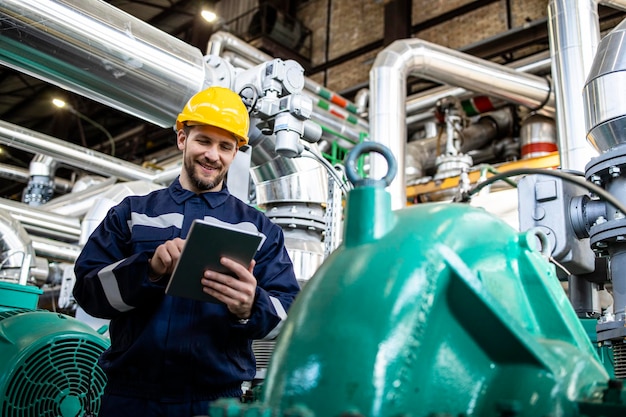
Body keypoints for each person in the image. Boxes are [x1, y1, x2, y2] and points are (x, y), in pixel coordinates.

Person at [73, 86, 300, 417]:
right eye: (203, 141)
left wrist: (251, 306)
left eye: (225, 146)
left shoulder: (260, 230)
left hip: (216, 402)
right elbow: (87, 292)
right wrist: (147, 269)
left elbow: (290, 315)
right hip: (130, 398)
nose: (213, 155)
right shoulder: (132, 214)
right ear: (182, 139)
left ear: (235, 152)